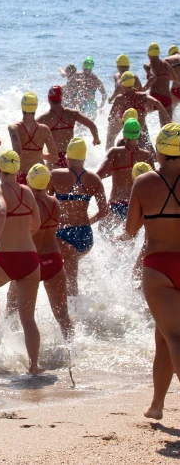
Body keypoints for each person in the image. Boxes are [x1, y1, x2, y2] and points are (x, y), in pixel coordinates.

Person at [123, 123, 180, 420]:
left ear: (159, 151)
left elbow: (132, 230)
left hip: (159, 267)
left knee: (175, 336)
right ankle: (157, 404)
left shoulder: (144, 182)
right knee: (163, 337)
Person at [0, 150, 41, 372]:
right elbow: (36, 223)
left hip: (8, 257)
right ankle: (34, 367)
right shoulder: (28, 192)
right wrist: (23, 238)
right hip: (30, 258)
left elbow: (2, 212)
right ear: (17, 171)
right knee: (28, 320)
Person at [4, 164, 74, 341]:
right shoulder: (55, 202)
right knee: (62, 314)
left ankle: (3, 344)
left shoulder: (28, 203)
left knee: (13, 308)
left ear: (29, 180)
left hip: (30, 261)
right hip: (54, 260)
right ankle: (72, 350)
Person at [47, 138, 107, 298]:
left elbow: (44, 203)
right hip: (86, 235)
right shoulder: (95, 179)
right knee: (71, 272)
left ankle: (72, 316)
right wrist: (88, 222)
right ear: (84, 158)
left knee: (68, 281)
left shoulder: (55, 175)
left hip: (64, 235)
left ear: (68, 158)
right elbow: (104, 211)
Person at [96, 118, 153, 226]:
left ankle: (112, 243)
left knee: (103, 231)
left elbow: (98, 176)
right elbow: (154, 181)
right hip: (137, 205)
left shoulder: (114, 152)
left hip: (117, 204)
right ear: (138, 135)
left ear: (124, 134)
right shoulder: (146, 155)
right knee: (130, 238)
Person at [36, 85, 100, 169]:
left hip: (53, 160)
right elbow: (92, 125)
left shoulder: (44, 118)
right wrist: (96, 138)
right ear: (61, 98)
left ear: (48, 99)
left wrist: (39, 155)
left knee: (53, 181)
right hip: (70, 158)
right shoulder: (72, 113)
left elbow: (29, 132)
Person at [107, 72, 170, 150]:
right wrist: (168, 119)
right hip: (140, 124)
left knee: (110, 138)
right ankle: (154, 160)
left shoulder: (119, 99)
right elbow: (157, 103)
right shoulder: (142, 96)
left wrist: (111, 120)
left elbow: (111, 115)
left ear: (122, 84)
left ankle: (109, 155)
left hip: (127, 125)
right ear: (133, 83)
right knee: (147, 143)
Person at [8, 91, 59, 183]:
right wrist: (38, 154)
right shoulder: (44, 129)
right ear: (36, 107)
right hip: (40, 175)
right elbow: (55, 157)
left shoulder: (14, 128)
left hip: (22, 175)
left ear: (22, 106)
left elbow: (17, 153)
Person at [145, 43, 174, 113]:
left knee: (140, 115)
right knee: (167, 123)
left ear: (148, 54)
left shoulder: (148, 65)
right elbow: (175, 78)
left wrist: (143, 89)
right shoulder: (167, 64)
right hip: (167, 97)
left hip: (155, 96)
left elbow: (153, 78)